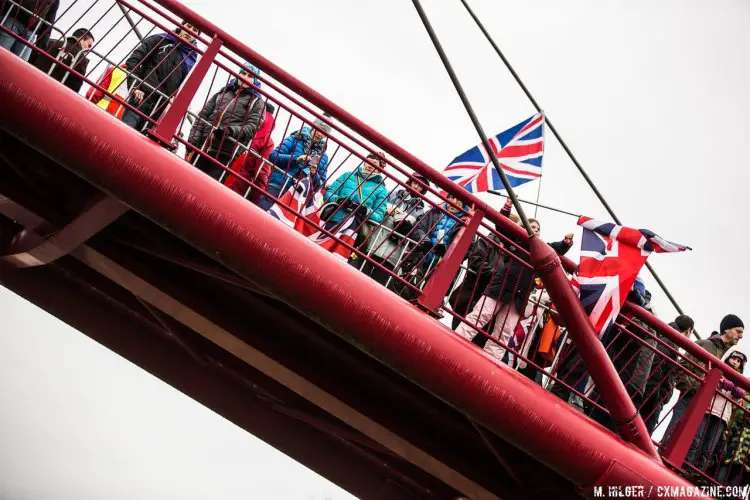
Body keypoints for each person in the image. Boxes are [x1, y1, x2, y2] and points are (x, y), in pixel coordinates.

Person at [454, 202, 573, 364]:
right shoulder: (516, 240)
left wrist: (565, 243)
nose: (536, 230)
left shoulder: (541, 248)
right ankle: (456, 341)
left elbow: (556, 248)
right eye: (532, 226)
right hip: (501, 287)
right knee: (480, 315)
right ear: (523, 228)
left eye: (538, 228)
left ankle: (489, 361)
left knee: (504, 331)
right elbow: (501, 226)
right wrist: (506, 208)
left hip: (519, 296)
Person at [663, 314, 744, 463]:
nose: (741, 336)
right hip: (690, 398)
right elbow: (681, 368)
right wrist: (694, 389)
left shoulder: (728, 357)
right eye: (738, 331)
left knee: (691, 444)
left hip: (707, 407)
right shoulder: (705, 344)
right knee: (672, 435)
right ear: (726, 329)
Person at [186, 63, 265, 180]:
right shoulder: (223, 92)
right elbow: (203, 115)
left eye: (250, 75)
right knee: (187, 179)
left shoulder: (257, 102)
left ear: (255, 80)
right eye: (243, 73)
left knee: (207, 186)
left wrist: (229, 131)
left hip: (225, 152)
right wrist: (194, 138)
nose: (245, 77)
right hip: (202, 144)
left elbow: (252, 127)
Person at [121, 21, 199, 131]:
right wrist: (135, 86)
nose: (190, 31)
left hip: (159, 108)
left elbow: (184, 90)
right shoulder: (161, 39)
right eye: (189, 26)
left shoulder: (192, 59)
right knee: (124, 131)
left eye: (195, 30)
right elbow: (134, 60)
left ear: (197, 37)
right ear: (181, 26)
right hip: (141, 96)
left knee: (142, 143)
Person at [390, 193, 467, 301]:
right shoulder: (433, 212)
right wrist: (424, 239)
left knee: (423, 301)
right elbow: (417, 227)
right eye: (452, 197)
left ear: (464, 204)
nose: (454, 202)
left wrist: (447, 250)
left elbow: (466, 249)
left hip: (440, 268)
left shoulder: (467, 224)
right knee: (401, 290)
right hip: (419, 257)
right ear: (447, 198)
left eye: (458, 200)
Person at [361, 173, 429, 285]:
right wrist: (386, 209)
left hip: (393, 254)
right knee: (358, 278)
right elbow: (376, 208)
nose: (416, 187)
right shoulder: (392, 194)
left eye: (420, 185)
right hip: (373, 243)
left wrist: (407, 225)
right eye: (415, 183)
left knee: (376, 287)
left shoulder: (421, 211)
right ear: (410, 182)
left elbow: (416, 231)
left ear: (423, 189)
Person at [639, 314, 695, 434]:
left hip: (650, 398)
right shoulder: (669, 341)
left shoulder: (667, 338)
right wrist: (656, 398)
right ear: (688, 330)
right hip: (650, 401)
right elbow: (655, 365)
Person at [260, 117, 331, 211]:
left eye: (324, 133)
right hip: (278, 185)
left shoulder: (324, 157)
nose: (320, 134)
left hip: (297, 195)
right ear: (313, 126)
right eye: (319, 129)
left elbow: (320, 185)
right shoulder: (295, 138)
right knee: (263, 211)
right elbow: (273, 156)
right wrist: (295, 160)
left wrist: (314, 174)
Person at [224, 102, 276, 206]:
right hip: (239, 186)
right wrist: (258, 200)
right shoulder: (267, 141)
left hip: (223, 171)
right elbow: (261, 173)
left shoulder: (242, 123)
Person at [323, 153, 388, 227]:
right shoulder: (347, 175)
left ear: (380, 169)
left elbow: (379, 216)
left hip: (354, 227)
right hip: (333, 218)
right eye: (368, 161)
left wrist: (365, 210)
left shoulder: (382, 190)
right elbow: (329, 193)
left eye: (375, 163)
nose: (370, 165)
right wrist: (338, 200)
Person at [717, 358, 750, 486]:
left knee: (739, 477)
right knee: (724, 469)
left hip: (745, 458)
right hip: (736, 439)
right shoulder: (746, 385)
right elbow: (737, 411)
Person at [30, 28, 93, 93]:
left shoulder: (51, 42)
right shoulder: (81, 60)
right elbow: (75, 87)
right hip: (53, 93)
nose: (88, 49)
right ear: (82, 39)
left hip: (32, 81)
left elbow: (32, 58)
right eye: (89, 45)